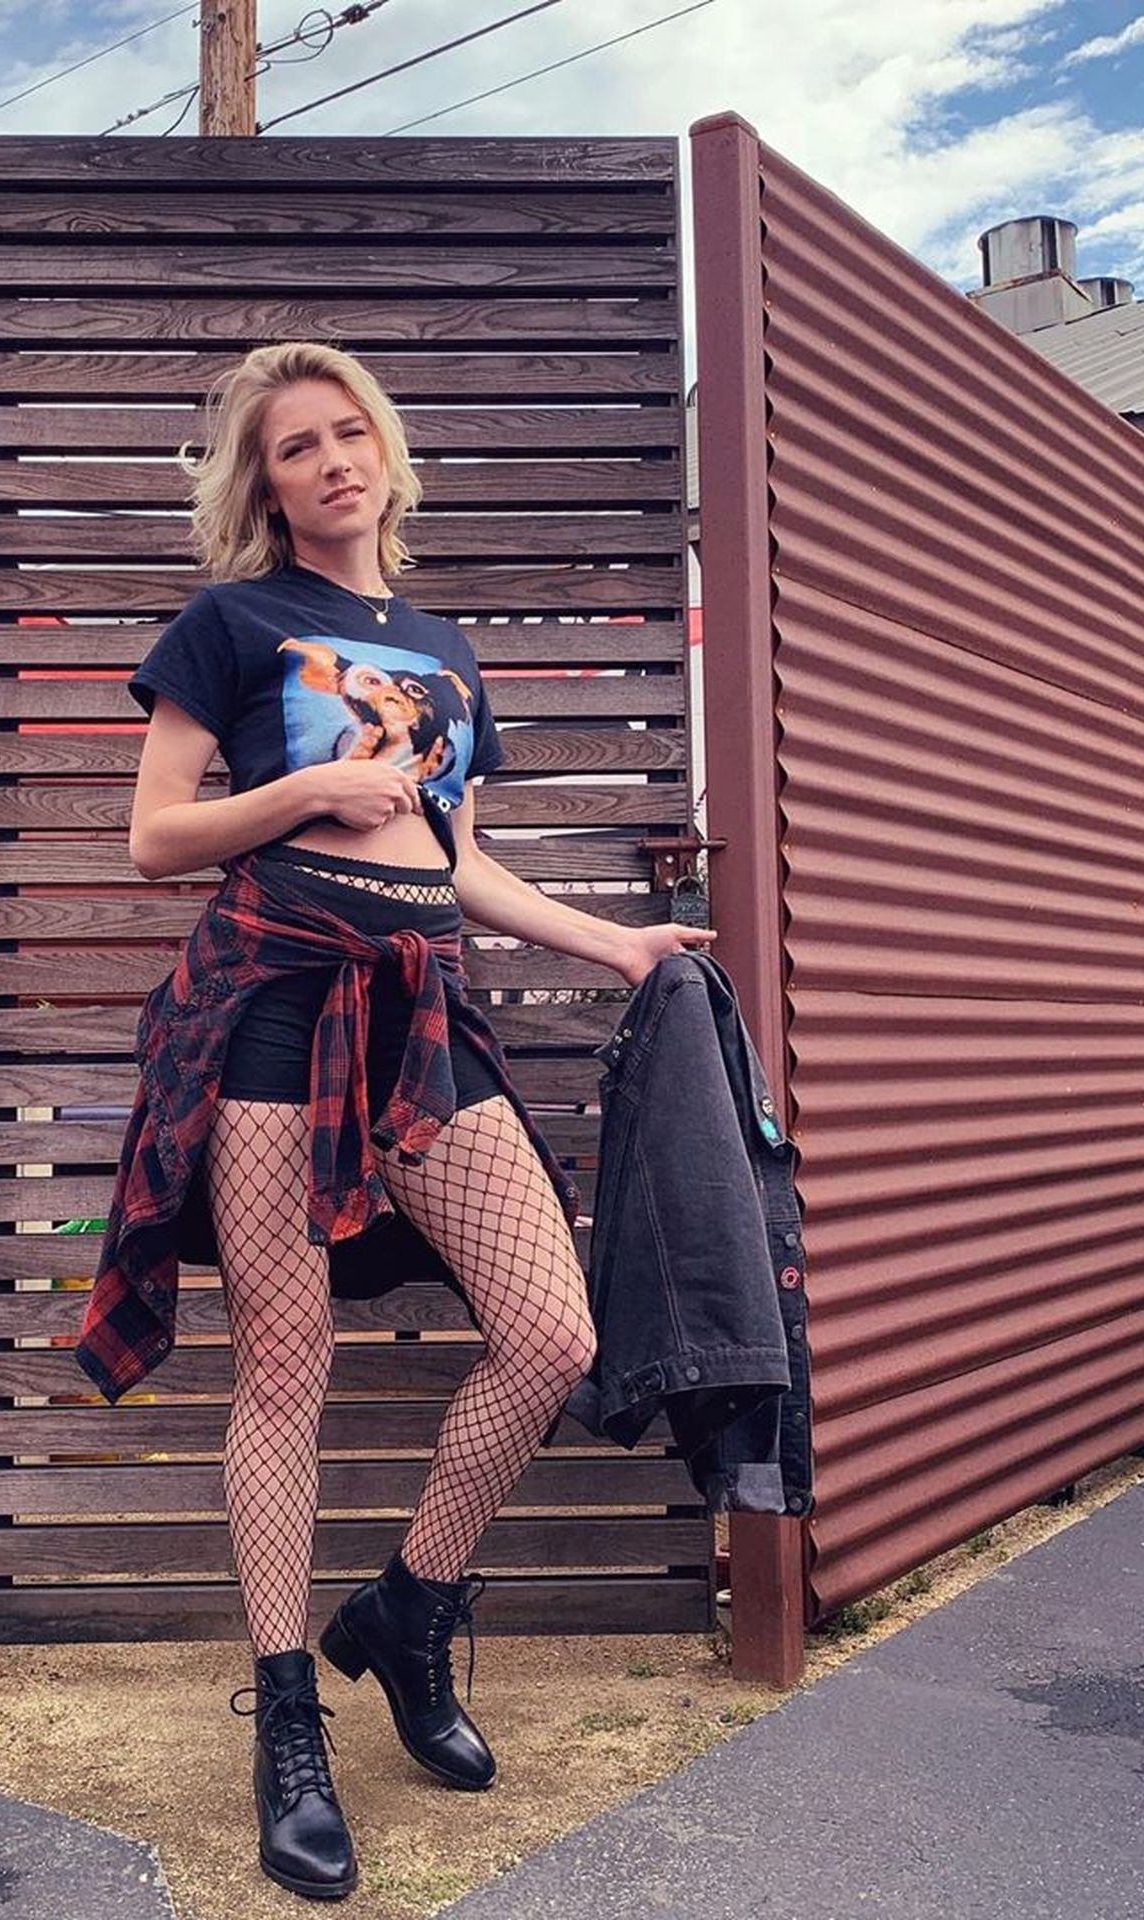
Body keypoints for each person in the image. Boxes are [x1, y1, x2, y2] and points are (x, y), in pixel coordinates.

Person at [108, 341, 716, 1901]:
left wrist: (619, 946)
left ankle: (408, 1608)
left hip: (424, 1012)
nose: (330, 461)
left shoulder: (442, 647)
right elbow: (155, 836)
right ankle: (287, 1719)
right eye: (294, 447)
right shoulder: (229, 626)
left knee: (550, 1334)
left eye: (347, 433)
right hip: (271, 1004)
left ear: (384, 450)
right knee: (285, 1366)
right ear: (263, 485)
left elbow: (461, 861)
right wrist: (304, 796)